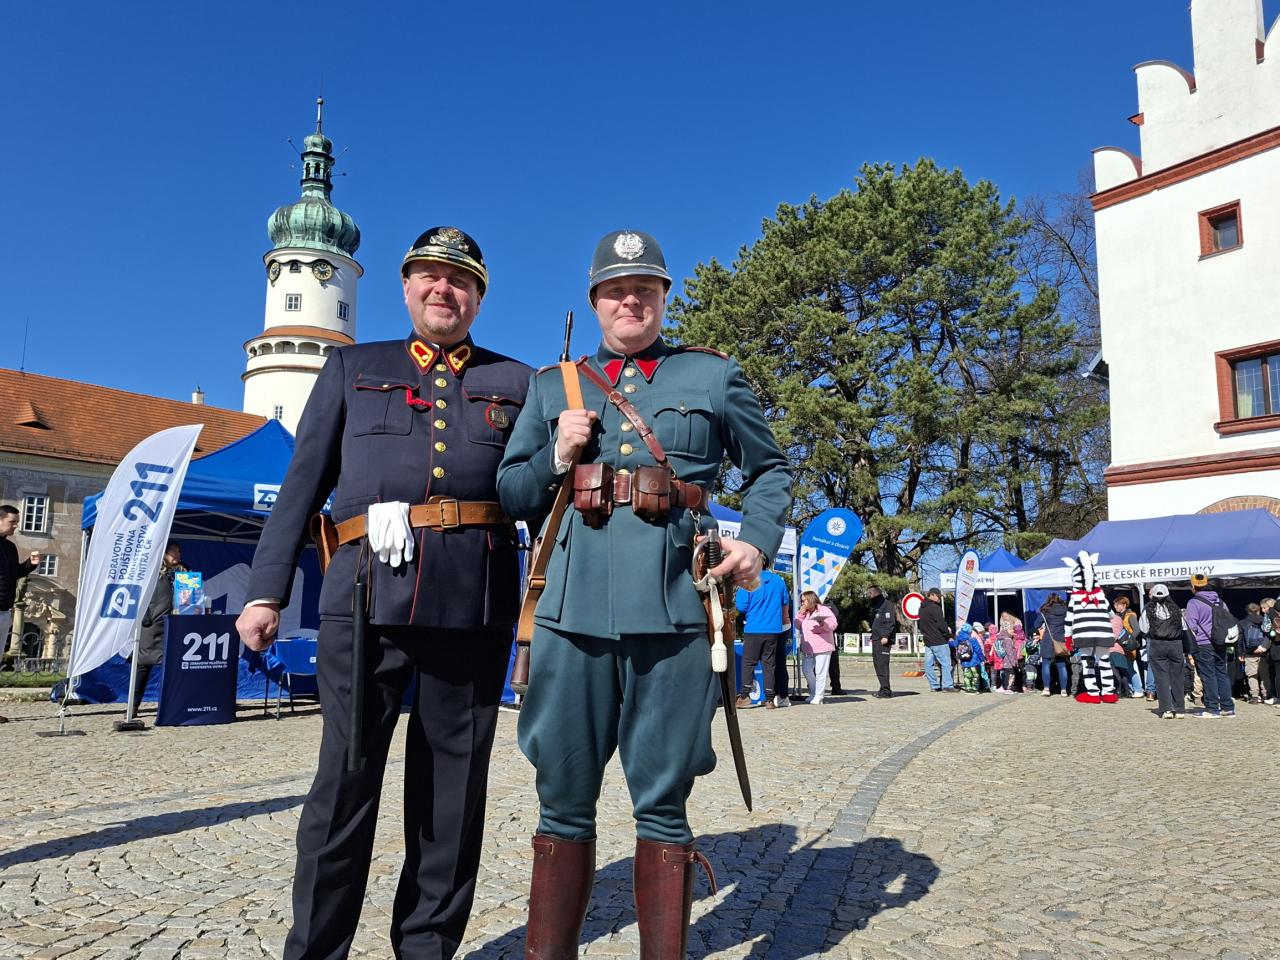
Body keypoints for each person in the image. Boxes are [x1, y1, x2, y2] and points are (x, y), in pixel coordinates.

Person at [235, 226, 533, 960]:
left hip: (473, 606)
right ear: (405, 288)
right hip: (364, 600)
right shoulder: (352, 367)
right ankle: (316, 950)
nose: (443, 289)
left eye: (460, 280)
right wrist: (267, 591)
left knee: (451, 795)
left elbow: (541, 491)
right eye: (429, 275)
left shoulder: (520, 382)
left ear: (479, 297)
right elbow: (302, 484)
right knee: (343, 784)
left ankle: (426, 948)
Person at [496, 229, 792, 957]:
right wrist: (557, 453)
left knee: (663, 804)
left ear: (663, 297)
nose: (630, 300)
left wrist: (755, 540)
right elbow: (511, 493)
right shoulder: (552, 386)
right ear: (595, 300)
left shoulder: (712, 376)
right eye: (616, 290)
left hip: (674, 609)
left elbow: (770, 470)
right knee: (562, 801)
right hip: (569, 615)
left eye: (644, 289)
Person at [131, 541, 182, 714]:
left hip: (172, 626)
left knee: (171, 666)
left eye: (179, 552)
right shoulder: (150, 572)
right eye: (174, 552)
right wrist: (144, 616)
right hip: (151, 626)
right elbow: (139, 596)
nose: (178, 555)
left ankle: (169, 704)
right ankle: (133, 705)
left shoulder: (181, 572)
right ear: (164, 554)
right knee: (143, 666)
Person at [0, 504, 40, 723]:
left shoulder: (9, 547)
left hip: (4, 609)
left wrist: (29, 565)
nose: (15, 526)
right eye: (12, 522)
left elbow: (13, 573)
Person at [734, 564, 790, 709]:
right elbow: (785, 601)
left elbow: (741, 606)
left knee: (749, 663)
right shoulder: (778, 580)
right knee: (769, 664)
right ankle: (770, 699)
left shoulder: (748, 580)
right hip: (773, 629)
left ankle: (745, 696)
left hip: (754, 628)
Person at [1184, 574, 1236, 718]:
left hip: (1203, 643)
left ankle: (1212, 708)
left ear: (1193, 586)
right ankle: (1228, 707)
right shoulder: (1220, 601)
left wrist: (1190, 649)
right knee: (1222, 673)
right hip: (1220, 642)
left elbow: (1191, 627)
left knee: (1208, 676)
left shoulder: (1193, 602)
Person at [1138, 583, 1189, 718]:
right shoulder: (1176, 610)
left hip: (1157, 644)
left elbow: (1143, 628)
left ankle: (1166, 709)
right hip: (1175, 644)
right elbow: (1184, 627)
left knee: (1161, 677)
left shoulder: (1148, 610)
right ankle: (1179, 709)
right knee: (1177, 677)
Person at [796, 590, 838, 704]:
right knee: (806, 670)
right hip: (808, 647)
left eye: (804, 601)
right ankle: (814, 692)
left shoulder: (823, 609)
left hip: (823, 646)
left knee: (820, 672)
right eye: (801, 601)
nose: (802, 603)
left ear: (811, 599)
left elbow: (833, 624)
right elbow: (797, 625)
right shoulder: (804, 612)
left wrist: (823, 623)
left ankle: (819, 696)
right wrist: (800, 614)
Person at [917, 588, 956, 692]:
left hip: (928, 641)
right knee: (946, 663)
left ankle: (934, 685)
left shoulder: (921, 608)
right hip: (939, 640)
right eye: (938, 596)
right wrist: (948, 635)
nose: (939, 599)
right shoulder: (935, 608)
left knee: (928, 664)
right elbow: (941, 624)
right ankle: (947, 685)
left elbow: (921, 625)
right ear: (932, 595)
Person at [867, 584, 896, 698]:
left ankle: (886, 690)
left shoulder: (887, 604)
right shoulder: (876, 605)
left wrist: (886, 636)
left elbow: (890, 622)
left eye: (870, 593)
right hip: (876, 638)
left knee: (882, 664)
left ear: (875, 592)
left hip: (883, 639)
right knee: (877, 664)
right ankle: (883, 687)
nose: (868, 595)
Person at [1038, 593, 1070, 697]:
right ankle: (1064, 690)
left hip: (1048, 639)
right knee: (1062, 665)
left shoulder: (1045, 610)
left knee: (1046, 664)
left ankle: (1046, 689)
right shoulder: (1066, 610)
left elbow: (1036, 624)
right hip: (1061, 639)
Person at [1239, 602, 1271, 704]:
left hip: (1249, 652)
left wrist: (1241, 653)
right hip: (1264, 651)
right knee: (1264, 674)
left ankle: (1255, 696)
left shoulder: (1242, 623)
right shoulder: (1265, 621)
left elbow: (1240, 640)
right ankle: (1266, 695)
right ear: (1258, 610)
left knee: (1252, 675)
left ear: (1247, 611)